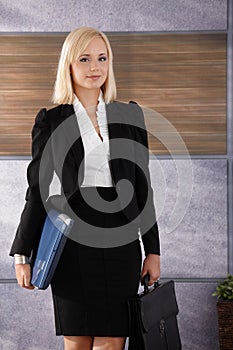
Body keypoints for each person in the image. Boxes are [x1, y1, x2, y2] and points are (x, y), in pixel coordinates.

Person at [10, 26, 160, 350]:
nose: (95, 67)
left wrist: (153, 250)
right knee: (77, 340)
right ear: (69, 65)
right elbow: (37, 190)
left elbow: (142, 189)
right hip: (72, 245)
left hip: (121, 244)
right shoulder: (50, 121)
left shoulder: (129, 115)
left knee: (113, 341)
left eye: (102, 58)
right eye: (85, 58)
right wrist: (22, 253)